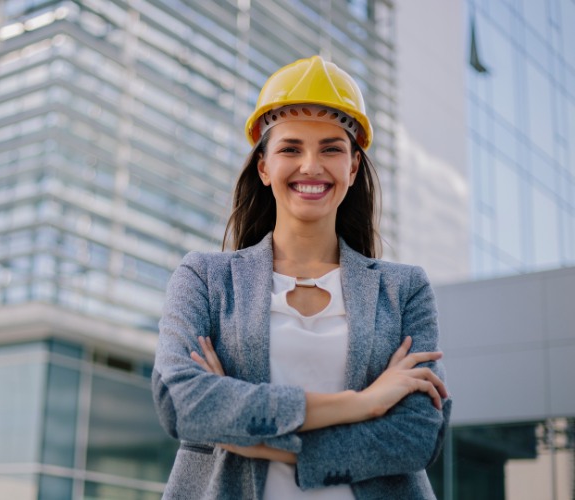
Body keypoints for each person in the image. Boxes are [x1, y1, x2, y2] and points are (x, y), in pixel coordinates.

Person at [151, 55, 452, 499]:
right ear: (264, 166)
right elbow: (182, 402)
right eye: (291, 148)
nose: (311, 166)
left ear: (352, 168)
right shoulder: (205, 278)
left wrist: (246, 440)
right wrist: (363, 404)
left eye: (331, 148)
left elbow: (417, 435)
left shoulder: (404, 289)